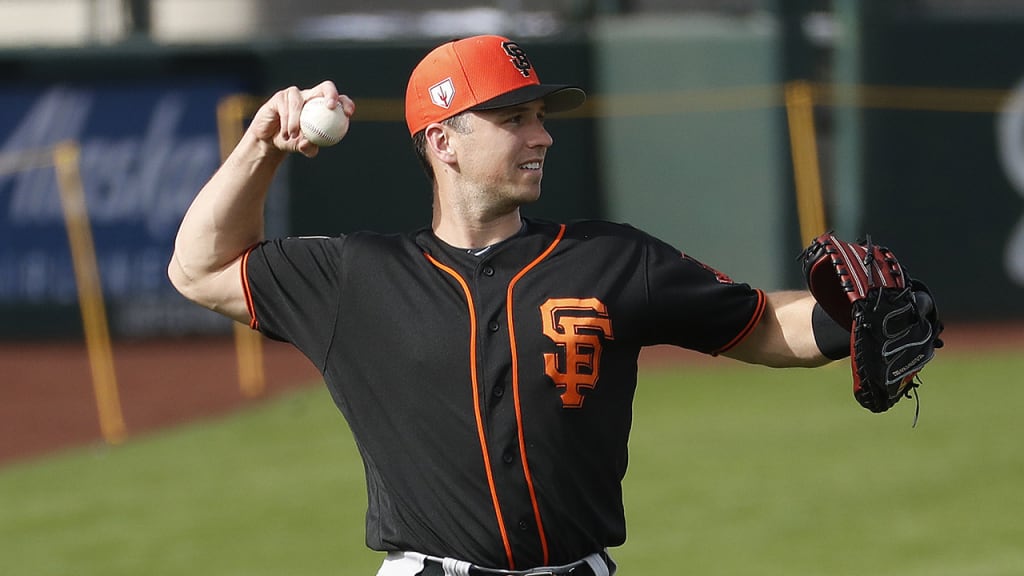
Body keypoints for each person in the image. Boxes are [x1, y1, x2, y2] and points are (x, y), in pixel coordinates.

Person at [168, 35, 851, 576]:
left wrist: (850, 320)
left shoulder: (612, 259)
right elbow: (199, 269)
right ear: (443, 142)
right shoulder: (359, 276)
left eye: (540, 117)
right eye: (513, 119)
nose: (541, 135)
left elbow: (759, 322)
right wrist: (260, 145)